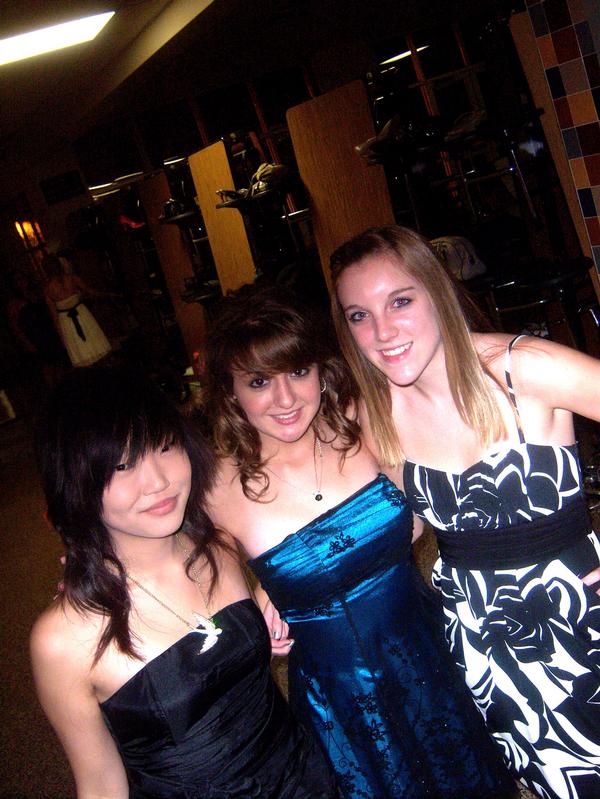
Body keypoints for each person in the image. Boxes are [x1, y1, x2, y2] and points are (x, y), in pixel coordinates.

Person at [203, 283, 515, 799]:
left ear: (321, 371)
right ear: (230, 390)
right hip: (340, 698)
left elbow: (457, 480)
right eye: (259, 381)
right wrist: (254, 592)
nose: (285, 399)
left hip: (429, 650)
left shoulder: (365, 421)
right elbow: (176, 572)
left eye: (298, 372)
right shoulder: (216, 486)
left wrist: (558, 543)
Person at [329, 224, 600, 799]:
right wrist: (286, 588)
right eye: (359, 315)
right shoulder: (373, 414)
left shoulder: (520, 369)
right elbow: (401, 525)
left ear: (437, 292)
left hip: (580, 616)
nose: (382, 332)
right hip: (483, 641)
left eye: (400, 302)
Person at [30, 364, 337, 799]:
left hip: (304, 777)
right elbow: (100, 783)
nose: (157, 482)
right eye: (122, 465)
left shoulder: (219, 548)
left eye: (165, 446)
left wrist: (267, 600)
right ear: (76, 482)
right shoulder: (62, 640)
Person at [43, 253, 112, 366]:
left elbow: (55, 318)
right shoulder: (71, 278)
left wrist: (62, 338)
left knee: (88, 344)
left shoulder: (48, 289)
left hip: (73, 318)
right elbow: (89, 292)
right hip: (77, 316)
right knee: (92, 343)